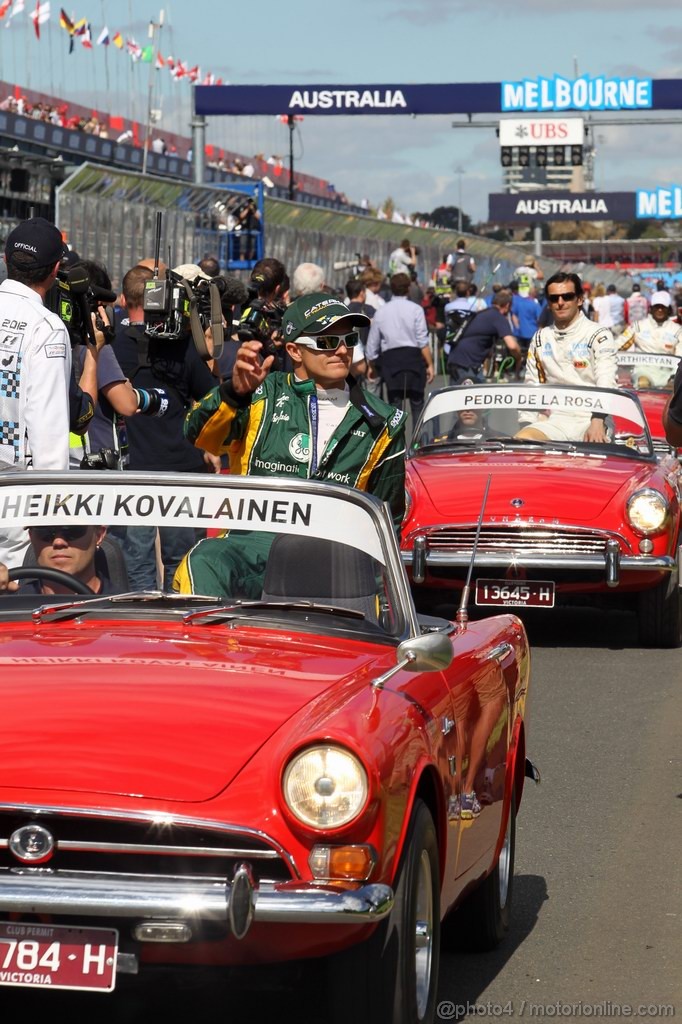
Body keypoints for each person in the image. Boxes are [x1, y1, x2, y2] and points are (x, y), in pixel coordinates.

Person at [177, 292, 406, 596]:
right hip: (253, 542)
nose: (341, 350)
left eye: (349, 339)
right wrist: (233, 393)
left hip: (335, 555)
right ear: (294, 351)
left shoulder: (385, 421)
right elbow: (197, 433)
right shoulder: (262, 392)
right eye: (326, 342)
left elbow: (388, 520)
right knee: (202, 560)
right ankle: (205, 644)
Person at [110, 263, 220, 590]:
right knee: (183, 562)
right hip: (182, 467)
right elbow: (210, 397)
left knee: (136, 563)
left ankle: (142, 628)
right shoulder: (180, 342)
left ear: (124, 298)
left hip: (132, 471)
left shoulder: (111, 343)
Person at [0, 217, 72, 568]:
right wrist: (53, 513)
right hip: (14, 494)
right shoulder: (46, 328)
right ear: (55, 270)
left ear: (5, 260)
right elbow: (48, 426)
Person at [519, 272, 617, 444]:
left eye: (567, 296)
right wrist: (527, 423)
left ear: (579, 299)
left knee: (591, 463)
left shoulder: (598, 334)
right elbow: (532, 386)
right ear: (548, 303)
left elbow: (606, 380)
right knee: (522, 442)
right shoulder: (540, 338)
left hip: (592, 417)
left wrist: (597, 420)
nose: (560, 302)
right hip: (555, 420)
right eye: (554, 298)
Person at [365, 272, 434, 421]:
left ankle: (398, 442)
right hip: (413, 358)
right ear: (408, 288)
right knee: (417, 404)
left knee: (395, 407)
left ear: (391, 288)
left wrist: (371, 365)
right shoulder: (416, 309)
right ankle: (418, 442)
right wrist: (430, 364)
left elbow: (372, 344)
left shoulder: (381, 311)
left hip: (391, 360)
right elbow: (423, 341)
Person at [0, 524, 116, 596]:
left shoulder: (124, 610)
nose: (58, 542)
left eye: (72, 531)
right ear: (31, 537)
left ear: (99, 535)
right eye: (44, 532)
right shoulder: (11, 606)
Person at [446, 289, 521, 385]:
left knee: (455, 396)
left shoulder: (482, 313)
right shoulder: (498, 317)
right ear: (507, 305)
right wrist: (519, 359)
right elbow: (512, 346)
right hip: (468, 363)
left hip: (455, 358)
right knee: (475, 396)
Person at [616, 291, 682, 355]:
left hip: (668, 366)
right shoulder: (637, 327)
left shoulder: (678, 331)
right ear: (650, 308)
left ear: (669, 310)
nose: (660, 310)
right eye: (656, 306)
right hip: (641, 366)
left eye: (663, 307)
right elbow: (618, 345)